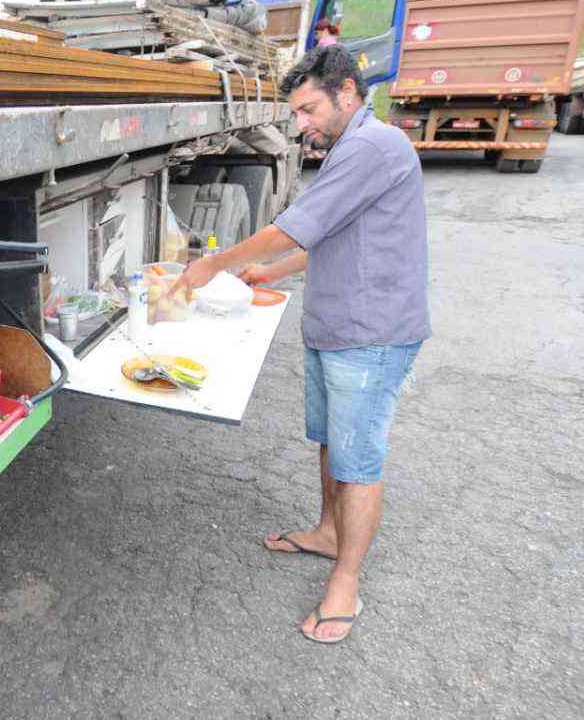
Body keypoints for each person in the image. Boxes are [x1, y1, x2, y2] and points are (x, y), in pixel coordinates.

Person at [169, 45, 431, 643]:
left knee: (357, 459)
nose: (304, 124)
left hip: (372, 332)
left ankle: (347, 581)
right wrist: (270, 273)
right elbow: (326, 239)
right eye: (299, 113)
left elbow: (292, 226)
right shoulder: (352, 149)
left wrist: (217, 264)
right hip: (336, 325)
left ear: (346, 92)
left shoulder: (372, 145)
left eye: (310, 109)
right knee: (329, 444)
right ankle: (327, 531)